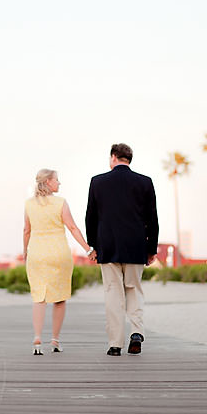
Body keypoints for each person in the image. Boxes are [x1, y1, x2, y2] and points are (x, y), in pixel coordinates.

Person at [85, 143, 159, 357]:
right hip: (136, 245)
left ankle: (115, 344)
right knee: (133, 289)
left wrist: (94, 245)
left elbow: (91, 216)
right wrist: (151, 247)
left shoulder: (97, 182)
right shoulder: (145, 182)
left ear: (114, 157)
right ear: (129, 159)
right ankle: (136, 332)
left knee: (113, 293)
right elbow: (152, 218)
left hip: (108, 246)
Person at [23, 169, 93, 355]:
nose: (59, 183)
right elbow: (72, 227)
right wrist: (88, 249)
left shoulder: (29, 204)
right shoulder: (60, 203)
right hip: (58, 253)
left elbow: (26, 231)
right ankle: (55, 340)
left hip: (37, 253)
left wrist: (25, 252)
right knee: (60, 297)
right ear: (47, 182)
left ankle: (37, 339)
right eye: (56, 180)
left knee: (39, 297)